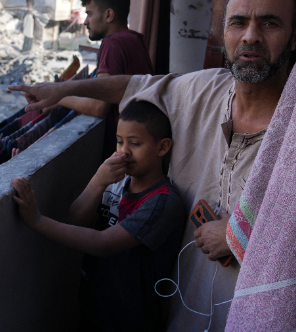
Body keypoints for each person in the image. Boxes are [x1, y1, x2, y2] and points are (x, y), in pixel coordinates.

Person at [8, 0, 296, 330]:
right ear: (224, 33)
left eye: (269, 23)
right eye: (238, 22)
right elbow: (132, 86)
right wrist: (61, 93)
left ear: (294, 37)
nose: (250, 36)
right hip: (181, 307)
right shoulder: (206, 89)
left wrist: (242, 236)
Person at [11, 100, 185, 331]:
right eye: (119, 141)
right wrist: (98, 181)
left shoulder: (162, 202)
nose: (124, 152)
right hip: (95, 303)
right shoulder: (118, 181)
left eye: (135, 143)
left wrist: (37, 221)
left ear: (162, 148)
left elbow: (104, 244)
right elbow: (77, 219)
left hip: (129, 318)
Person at [58, 0, 153, 158]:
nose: (85, 21)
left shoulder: (112, 43)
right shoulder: (134, 40)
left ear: (109, 15)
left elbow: (98, 107)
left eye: (89, 13)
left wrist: (59, 98)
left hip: (125, 154)